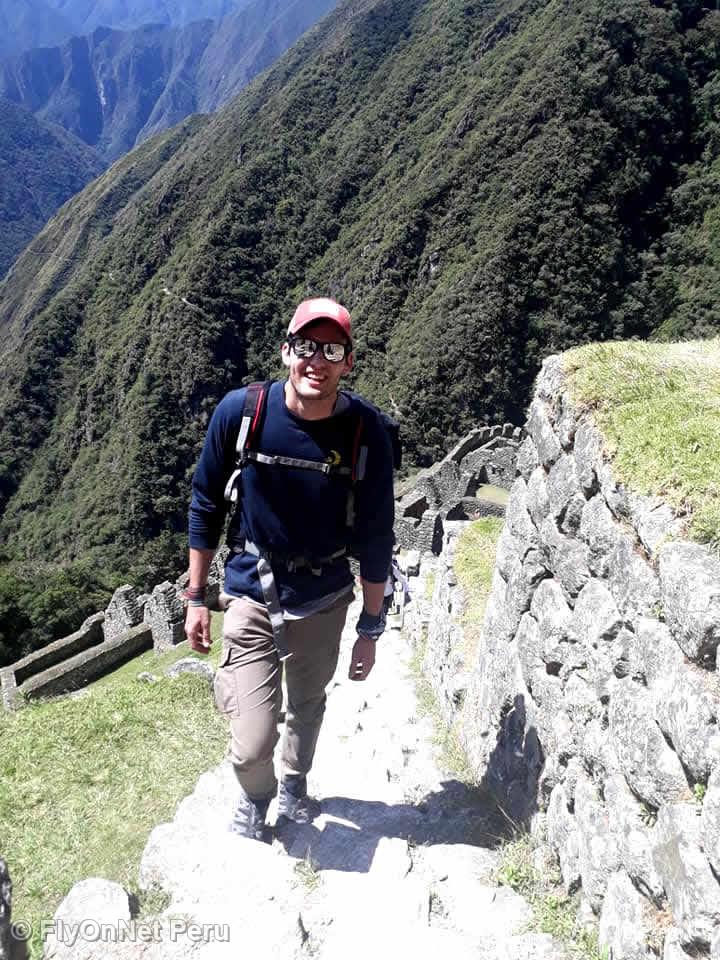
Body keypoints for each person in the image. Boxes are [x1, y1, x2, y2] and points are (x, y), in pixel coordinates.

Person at [184, 297, 395, 840]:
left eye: (332, 351)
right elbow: (205, 504)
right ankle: (257, 794)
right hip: (251, 592)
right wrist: (196, 597)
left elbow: (376, 535)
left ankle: (295, 783)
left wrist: (370, 628)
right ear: (286, 351)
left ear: (348, 362)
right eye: (306, 346)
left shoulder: (366, 431)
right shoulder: (242, 413)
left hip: (325, 596)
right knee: (251, 741)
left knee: (307, 702)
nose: (316, 361)